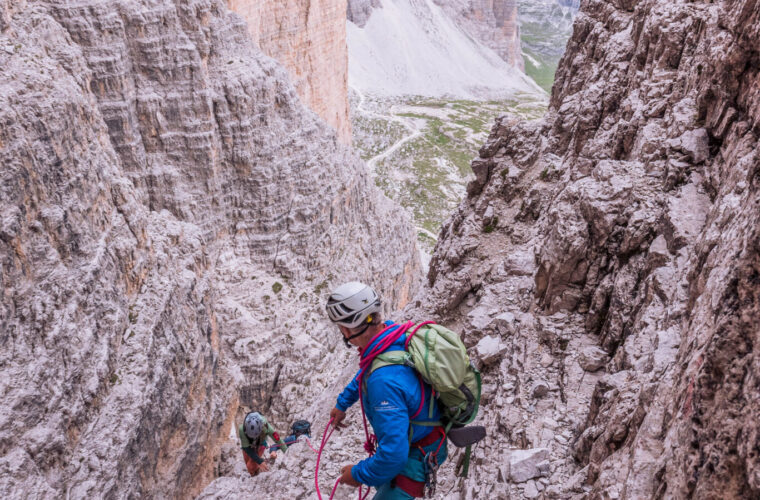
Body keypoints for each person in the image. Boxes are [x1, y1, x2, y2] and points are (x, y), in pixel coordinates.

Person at [325, 282, 448, 499]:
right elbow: (369, 371)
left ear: (345, 329)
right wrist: (343, 403)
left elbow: (393, 456)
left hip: (415, 458)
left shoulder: (382, 382)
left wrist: (356, 474)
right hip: (426, 440)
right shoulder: (392, 337)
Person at [238, 411, 288, 476]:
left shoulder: (266, 426)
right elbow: (247, 448)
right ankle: (254, 473)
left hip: (260, 443)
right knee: (248, 464)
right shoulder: (242, 429)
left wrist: (287, 454)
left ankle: (255, 474)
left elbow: (279, 440)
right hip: (248, 445)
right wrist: (259, 461)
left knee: (250, 466)